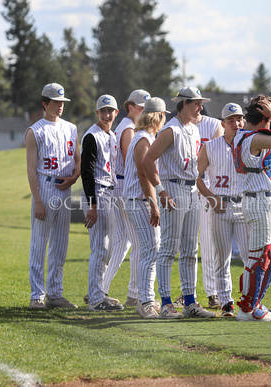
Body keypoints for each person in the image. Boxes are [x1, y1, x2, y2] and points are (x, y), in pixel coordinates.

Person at [143, 86, 216, 319]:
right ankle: (165, 303)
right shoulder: (170, 130)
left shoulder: (193, 129)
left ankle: (190, 301)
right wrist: (161, 191)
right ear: (184, 104)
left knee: (189, 250)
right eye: (196, 103)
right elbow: (147, 161)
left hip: (192, 188)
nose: (200, 107)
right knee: (169, 248)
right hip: (172, 187)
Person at [231, 94, 271, 322]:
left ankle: (256, 301)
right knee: (259, 257)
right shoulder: (254, 138)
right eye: (268, 119)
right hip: (259, 202)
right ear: (264, 118)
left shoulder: (243, 134)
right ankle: (247, 308)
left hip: (261, 199)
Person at [25, 83, 80, 309]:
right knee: (39, 243)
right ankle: (37, 295)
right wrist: (38, 200)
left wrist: (74, 178)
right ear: (44, 103)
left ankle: (55, 294)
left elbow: (78, 159)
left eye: (62, 102)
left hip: (65, 188)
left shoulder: (71, 128)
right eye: (55, 102)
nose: (59, 106)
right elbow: (30, 169)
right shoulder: (34, 131)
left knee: (60, 245)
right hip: (45, 186)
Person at [196, 102, 249, 317]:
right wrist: (210, 197)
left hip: (244, 205)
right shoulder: (210, 146)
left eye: (239, 119)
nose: (236, 123)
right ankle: (226, 302)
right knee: (221, 257)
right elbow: (195, 176)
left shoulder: (250, 143)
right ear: (223, 123)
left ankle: (248, 299)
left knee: (249, 257)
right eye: (231, 120)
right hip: (220, 206)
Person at [103, 89, 151, 308]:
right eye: (141, 108)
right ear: (130, 106)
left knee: (126, 241)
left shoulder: (127, 126)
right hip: (124, 184)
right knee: (131, 241)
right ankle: (109, 289)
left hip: (121, 184)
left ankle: (121, 291)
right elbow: (131, 160)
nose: (144, 112)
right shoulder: (129, 128)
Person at [123, 97, 169, 318]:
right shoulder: (143, 139)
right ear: (159, 116)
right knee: (151, 250)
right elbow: (143, 174)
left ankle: (146, 298)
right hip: (139, 200)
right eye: (164, 115)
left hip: (138, 200)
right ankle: (145, 301)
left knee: (148, 250)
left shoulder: (144, 136)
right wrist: (154, 204)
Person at [80, 95, 123, 311]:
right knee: (100, 248)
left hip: (109, 192)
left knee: (107, 248)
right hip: (97, 191)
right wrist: (92, 205)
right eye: (103, 111)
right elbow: (86, 173)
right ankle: (96, 299)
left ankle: (99, 292)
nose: (107, 115)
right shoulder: (92, 136)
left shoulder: (112, 135)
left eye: (110, 111)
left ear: (116, 113)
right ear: (97, 113)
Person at [193, 110, 224, 310]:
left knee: (207, 242)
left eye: (199, 104)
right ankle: (189, 294)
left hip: (206, 187)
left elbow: (219, 156)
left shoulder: (213, 124)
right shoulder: (176, 126)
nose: (197, 107)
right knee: (186, 244)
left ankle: (212, 292)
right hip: (184, 188)